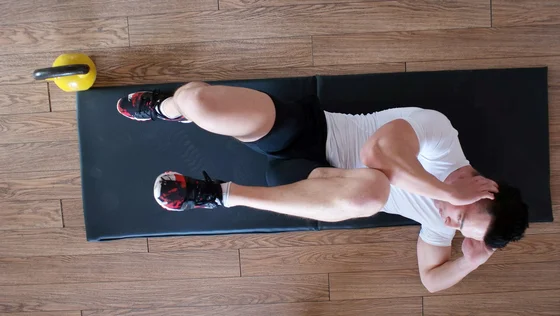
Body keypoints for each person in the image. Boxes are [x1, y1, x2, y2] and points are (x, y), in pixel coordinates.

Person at [116, 82, 529, 293]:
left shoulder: (443, 222)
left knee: (372, 192)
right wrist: (445, 193)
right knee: (197, 100)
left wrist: (472, 261)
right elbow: (377, 153)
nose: (449, 220)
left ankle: (218, 195)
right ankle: (165, 108)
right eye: (462, 215)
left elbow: (431, 281)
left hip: (311, 187)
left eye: (458, 228)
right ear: (482, 187)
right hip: (312, 133)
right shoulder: (440, 134)